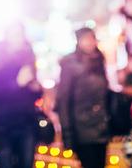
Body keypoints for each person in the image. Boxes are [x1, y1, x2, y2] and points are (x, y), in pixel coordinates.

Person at [0, 22, 42, 168]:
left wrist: (36, 89)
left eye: (21, 34)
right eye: (15, 34)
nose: (19, 38)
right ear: (7, 36)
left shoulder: (29, 55)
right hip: (3, 124)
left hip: (26, 122)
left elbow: (33, 94)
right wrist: (16, 84)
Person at [56, 27, 110, 168]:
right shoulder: (70, 64)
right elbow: (64, 100)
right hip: (82, 127)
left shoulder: (99, 60)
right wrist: (67, 134)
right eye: (85, 39)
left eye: (91, 38)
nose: (89, 43)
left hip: (101, 125)